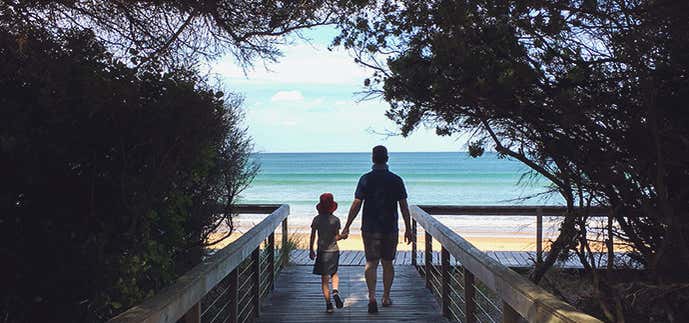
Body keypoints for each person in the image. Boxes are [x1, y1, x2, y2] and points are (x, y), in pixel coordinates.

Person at [340, 145, 413, 314]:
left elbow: (357, 204)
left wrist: (347, 226)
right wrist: (408, 229)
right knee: (388, 263)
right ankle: (386, 297)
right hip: (390, 228)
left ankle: (372, 297)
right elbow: (404, 207)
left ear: (373, 159)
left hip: (370, 229)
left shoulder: (365, 179)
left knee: (371, 263)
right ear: (387, 158)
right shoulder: (396, 179)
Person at [309, 192, 346, 313]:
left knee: (324, 279)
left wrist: (311, 249)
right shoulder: (335, 220)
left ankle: (329, 304)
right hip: (334, 251)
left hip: (322, 251)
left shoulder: (317, 219)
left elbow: (313, 235)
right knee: (334, 273)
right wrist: (343, 236)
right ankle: (335, 291)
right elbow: (335, 237)